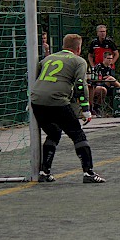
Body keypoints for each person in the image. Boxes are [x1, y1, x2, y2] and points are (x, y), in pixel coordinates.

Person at [30, 33, 106, 183]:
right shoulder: (79, 61)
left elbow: (36, 77)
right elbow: (80, 84)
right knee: (77, 134)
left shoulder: (48, 58)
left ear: (63, 46)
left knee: (54, 132)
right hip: (57, 100)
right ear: (78, 48)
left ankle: (44, 171)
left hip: (36, 100)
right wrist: (85, 109)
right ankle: (88, 173)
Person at [89, 51, 120, 115]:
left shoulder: (110, 68)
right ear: (104, 58)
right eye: (108, 59)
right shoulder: (98, 67)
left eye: (111, 59)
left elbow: (112, 79)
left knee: (111, 80)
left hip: (108, 86)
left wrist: (107, 78)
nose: (110, 60)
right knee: (110, 79)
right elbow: (96, 78)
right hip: (98, 85)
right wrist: (107, 78)